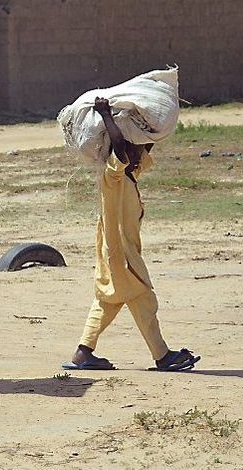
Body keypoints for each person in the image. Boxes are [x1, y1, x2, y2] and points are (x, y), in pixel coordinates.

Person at [65, 97, 200, 372]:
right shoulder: (113, 177)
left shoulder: (129, 174)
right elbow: (120, 147)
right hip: (121, 255)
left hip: (117, 253)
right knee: (144, 299)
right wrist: (106, 116)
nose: (140, 153)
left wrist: (150, 126)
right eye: (133, 149)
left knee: (108, 302)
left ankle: (83, 353)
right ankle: (162, 356)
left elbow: (142, 145)